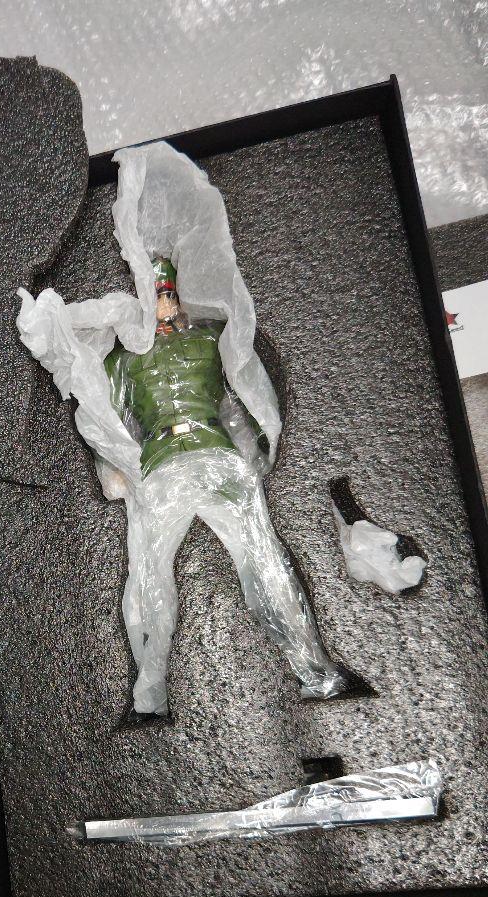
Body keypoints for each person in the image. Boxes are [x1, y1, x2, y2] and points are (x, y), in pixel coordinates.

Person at [102, 257, 347, 715]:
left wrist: (254, 452)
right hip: (161, 468)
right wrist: (113, 470)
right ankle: (150, 689)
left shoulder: (210, 337)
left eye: (169, 294)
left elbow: (236, 401)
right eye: (157, 296)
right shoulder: (121, 360)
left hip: (217, 458)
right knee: (148, 573)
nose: (165, 305)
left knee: (263, 559)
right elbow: (109, 420)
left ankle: (315, 668)